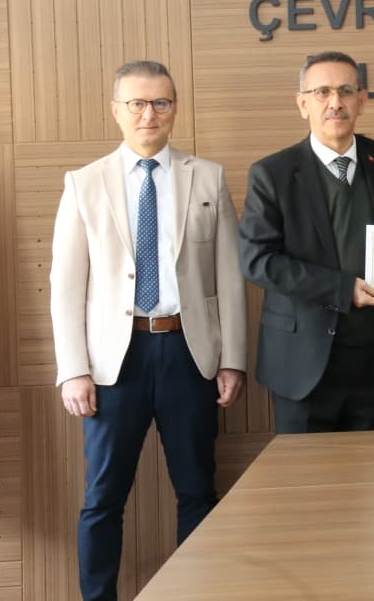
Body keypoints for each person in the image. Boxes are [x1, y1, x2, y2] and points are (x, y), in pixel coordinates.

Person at [50, 60, 247, 601]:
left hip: (189, 352)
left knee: (198, 491)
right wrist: (74, 370)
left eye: (160, 102)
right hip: (114, 363)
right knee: (102, 499)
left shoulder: (207, 177)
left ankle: (197, 593)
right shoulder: (84, 183)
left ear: (174, 109)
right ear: (116, 110)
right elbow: (65, 285)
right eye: (136, 103)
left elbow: (229, 277)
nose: (148, 114)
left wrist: (232, 358)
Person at [238, 51, 374, 433]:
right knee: (306, 470)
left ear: (362, 101)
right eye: (322, 92)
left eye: (346, 91)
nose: (335, 102)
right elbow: (257, 260)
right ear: (303, 104)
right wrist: (342, 288)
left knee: (372, 469)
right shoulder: (272, 173)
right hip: (302, 360)